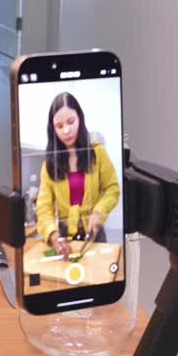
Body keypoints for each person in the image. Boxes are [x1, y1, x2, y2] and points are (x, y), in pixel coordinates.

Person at [35, 92, 120, 260]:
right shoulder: (49, 164)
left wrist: (99, 212)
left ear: (80, 119)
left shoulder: (98, 154)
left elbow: (112, 189)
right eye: (59, 126)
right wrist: (54, 236)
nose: (66, 130)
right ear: (53, 129)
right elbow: (44, 208)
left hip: (94, 234)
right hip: (64, 237)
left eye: (71, 122)